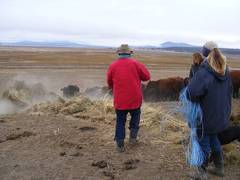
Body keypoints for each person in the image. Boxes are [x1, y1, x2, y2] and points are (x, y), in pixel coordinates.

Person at [187, 41, 232, 178]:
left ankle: (201, 172)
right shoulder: (226, 70)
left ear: (204, 53)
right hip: (221, 116)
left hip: (205, 116)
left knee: (203, 143)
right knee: (214, 139)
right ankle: (219, 168)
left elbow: (191, 93)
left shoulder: (204, 72)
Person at [107, 44, 150, 152]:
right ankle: (133, 138)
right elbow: (147, 77)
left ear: (119, 53)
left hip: (120, 100)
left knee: (120, 121)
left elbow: (109, 82)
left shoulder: (113, 65)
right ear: (130, 53)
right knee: (135, 117)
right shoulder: (136, 64)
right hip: (135, 98)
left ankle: (120, 144)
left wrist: (116, 89)